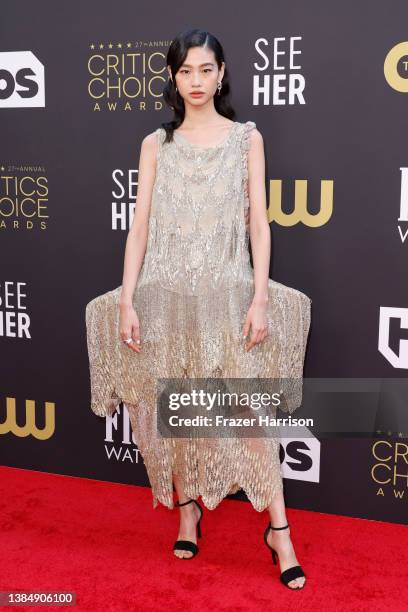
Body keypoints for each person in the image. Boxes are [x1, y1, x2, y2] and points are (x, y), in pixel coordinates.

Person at [85, 28, 311, 590]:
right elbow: (138, 227)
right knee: (174, 413)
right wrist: (128, 299)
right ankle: (188, 511)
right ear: (172, 77)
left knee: (249, 417)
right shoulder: (154, 144)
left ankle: (279, 530)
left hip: (229, 294)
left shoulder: (245, 140)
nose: (196, 81)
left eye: (206, 70)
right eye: (185, 71)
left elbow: (259, 221)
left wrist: (259, 296)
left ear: (223, 73)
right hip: (164, 295)